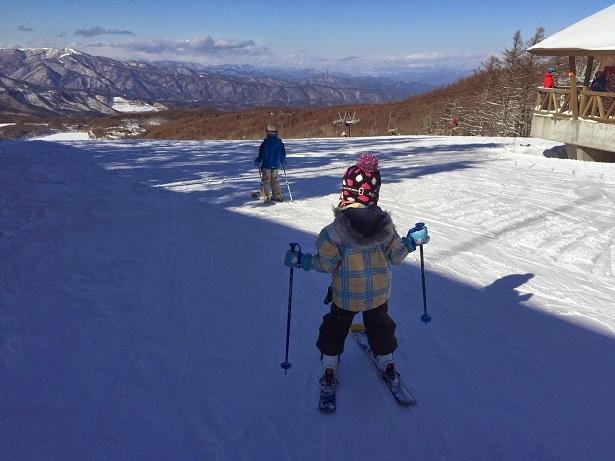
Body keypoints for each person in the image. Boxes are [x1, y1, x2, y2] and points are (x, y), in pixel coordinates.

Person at [283, 152, 430, 388]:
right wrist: (412, 242)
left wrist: (301, 260)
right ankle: (387, 362)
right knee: (381, 327)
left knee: (334, 327)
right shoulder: (386, 227)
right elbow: (396, 256)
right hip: (378, 295)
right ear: (374, 195)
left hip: (346, 297)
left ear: (345, 192)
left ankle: (329, 365)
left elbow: (325, 264)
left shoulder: (333, 232)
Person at [255, 124, 286, 202]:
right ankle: (277, 195)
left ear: (268, 133)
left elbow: (262, 154)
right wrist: (282, 160)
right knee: (275, 180)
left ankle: (267, 196)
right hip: (276, 165)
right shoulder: (280, 143)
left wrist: (258, 161)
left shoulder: (265, 144)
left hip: (266, 165)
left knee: (266, 180)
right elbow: (282, 154)